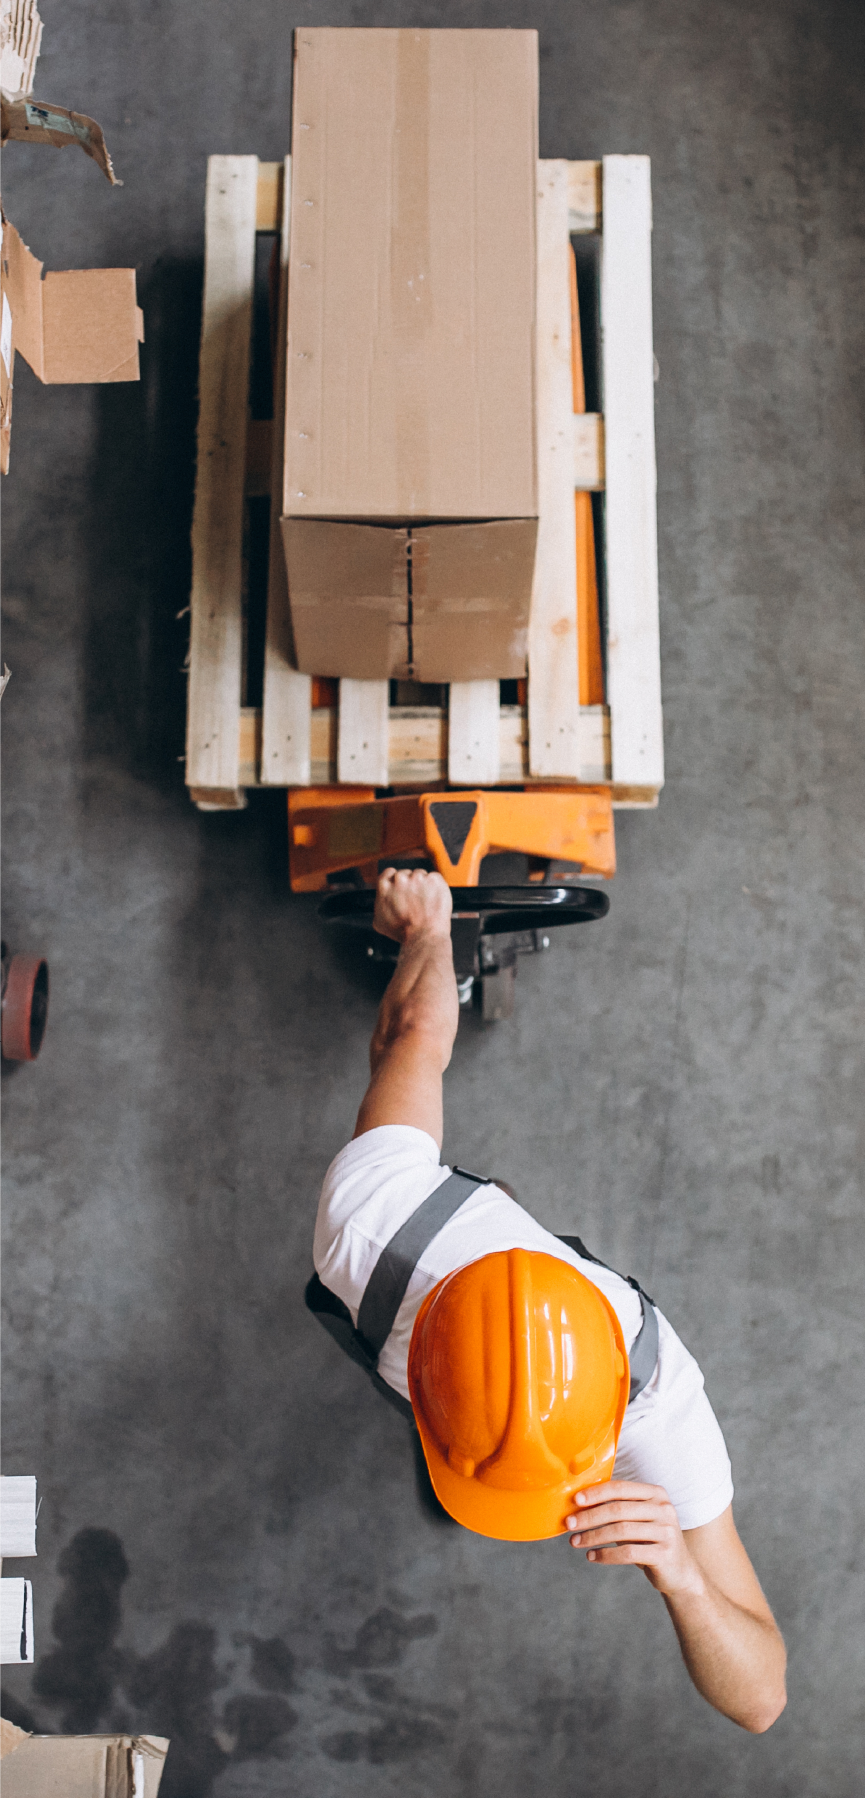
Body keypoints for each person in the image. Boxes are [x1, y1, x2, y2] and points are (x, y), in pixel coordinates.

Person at [311, 867, 787, 1734]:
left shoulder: (659, 1413)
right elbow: (411, 1031)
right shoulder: (372, 1225)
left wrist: (683, 1575)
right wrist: (429, 928)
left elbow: (760, 1698)